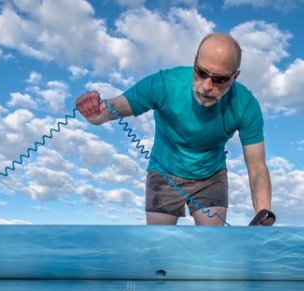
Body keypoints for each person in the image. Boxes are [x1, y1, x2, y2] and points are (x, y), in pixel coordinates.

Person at [75, 33, 275, 227]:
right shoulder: (164, 84)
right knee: (159, 247)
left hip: (210, 176)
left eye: (219, 80)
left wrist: (263, 217)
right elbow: (117, 105)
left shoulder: (246, 105)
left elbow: (257, 168)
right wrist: (98, 113)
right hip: (164, 172)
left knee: (211, 247)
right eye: (201, 73)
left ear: (235, 76)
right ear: (195, 61)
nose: (206, 86)